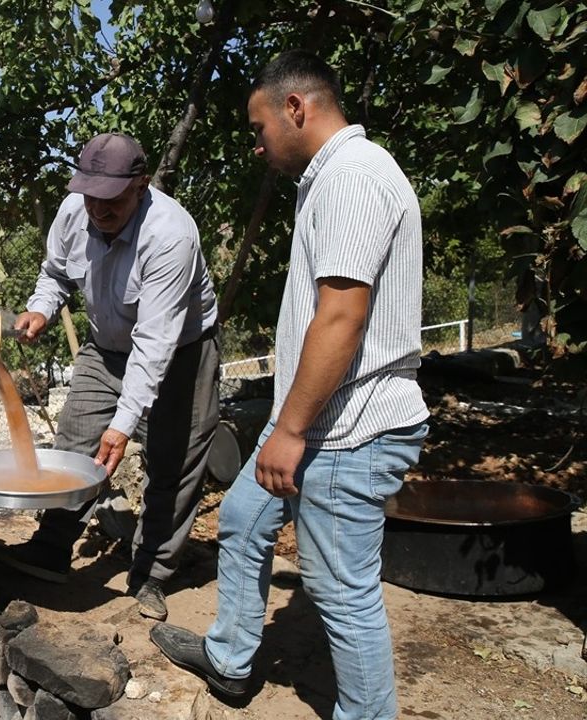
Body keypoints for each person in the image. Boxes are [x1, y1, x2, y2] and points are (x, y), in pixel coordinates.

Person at [149, 50, 429, 720]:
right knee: (245, 517)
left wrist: (293, 431)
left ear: (295, 108)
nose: (257, 143)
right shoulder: (333, 177)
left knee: (341, 593)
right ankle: (230, 658)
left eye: (259, 127)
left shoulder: (352, 179)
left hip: (345, 429)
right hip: (319, 420)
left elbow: (341, 315)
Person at [0, 132, 222, 621]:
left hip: (181, 352)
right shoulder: (75, 212)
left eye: (111, 199)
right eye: (90, 196)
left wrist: (123, 424)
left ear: (140, 185)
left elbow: (155, 343)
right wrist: (41, 309)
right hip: (106, 346)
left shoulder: (170, 235)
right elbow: (55, 273)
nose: (98, 209)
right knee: (75, 444)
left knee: (172, 463)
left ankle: (152, 574)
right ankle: (51, 549)